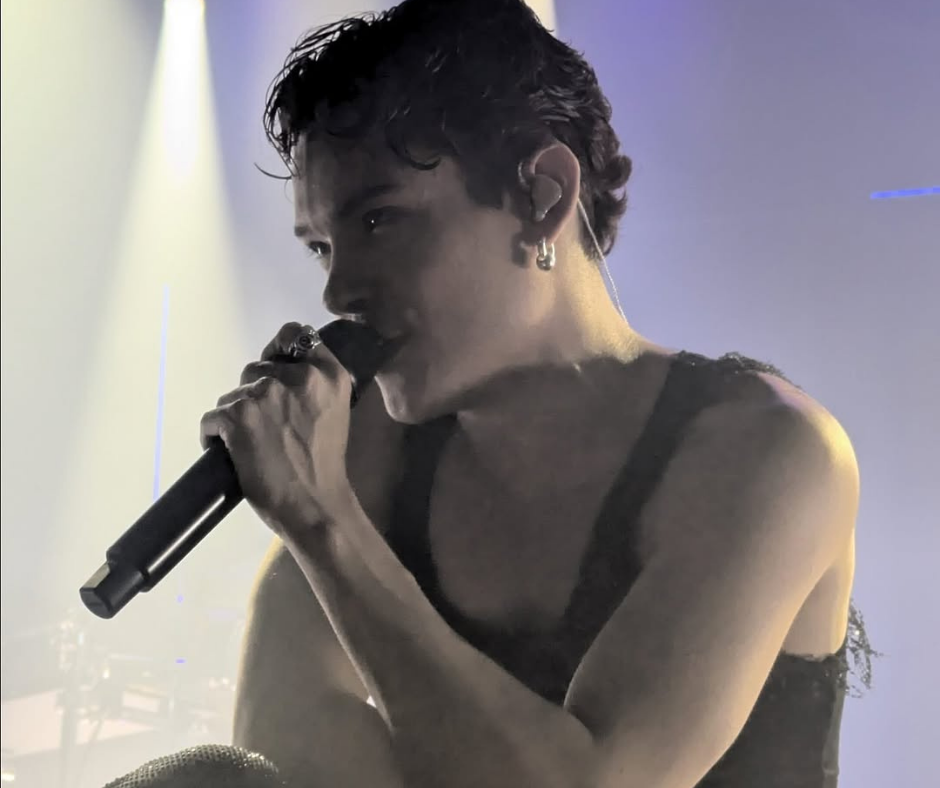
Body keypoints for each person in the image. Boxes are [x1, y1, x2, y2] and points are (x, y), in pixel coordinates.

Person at [198, 1, 874, 786]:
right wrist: (318, 517)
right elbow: (294, 768)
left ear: (543, 195)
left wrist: (325, 524)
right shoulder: (366, 463)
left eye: (380, 220)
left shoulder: (765, 453)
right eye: (322, 247)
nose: (338, 290)